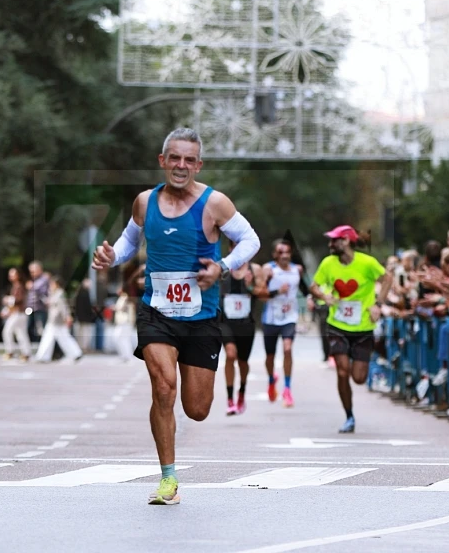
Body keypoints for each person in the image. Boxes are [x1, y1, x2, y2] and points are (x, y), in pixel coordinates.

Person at [91, 127, 260, 506]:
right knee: (163, 386)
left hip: (201, 316)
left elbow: (251, 240)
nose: (181, 165)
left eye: (189, 159)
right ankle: (168, 478)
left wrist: (223, 267)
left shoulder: (215, 203)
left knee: (197, 410)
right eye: (175, 158)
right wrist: (111, 257)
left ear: (198, 165)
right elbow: (130, 241)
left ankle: (176, 447)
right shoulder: (144, 202)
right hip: (157, 311)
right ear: (162, 160)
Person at [309, 225, 393, 434]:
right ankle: (349, 416)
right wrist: (324, 296)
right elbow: (314, 286)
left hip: (363, 327)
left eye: (333, 240)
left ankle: (360, 366)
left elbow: (387, 279)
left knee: (358, 377)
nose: (330, 245)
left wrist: (378, 305)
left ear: (345, 241)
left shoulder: (367, 263)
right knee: (342, 370)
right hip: (337, 325)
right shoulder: (328, 263)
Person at [220, 243, 265, 415]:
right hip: (225, 322)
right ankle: (230, 399)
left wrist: (251, 285)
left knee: (243, 362)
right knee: (230, 355)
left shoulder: (255, 269)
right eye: (232, 246)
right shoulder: (222, 267)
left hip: (246, 323)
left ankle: (242, 392)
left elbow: (264, 294)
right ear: (230, 248)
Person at [258, 239, 303, 407]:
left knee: (288, 348)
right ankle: (271, 380)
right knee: (270, 356)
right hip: (271, 318)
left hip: (289, 317)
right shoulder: (269, 270)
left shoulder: (297, 270)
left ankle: (287, 389)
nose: (284, 256)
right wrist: (277, 291)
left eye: (287, 252)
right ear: (274, 254)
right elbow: (260, 294)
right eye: (280, 252)